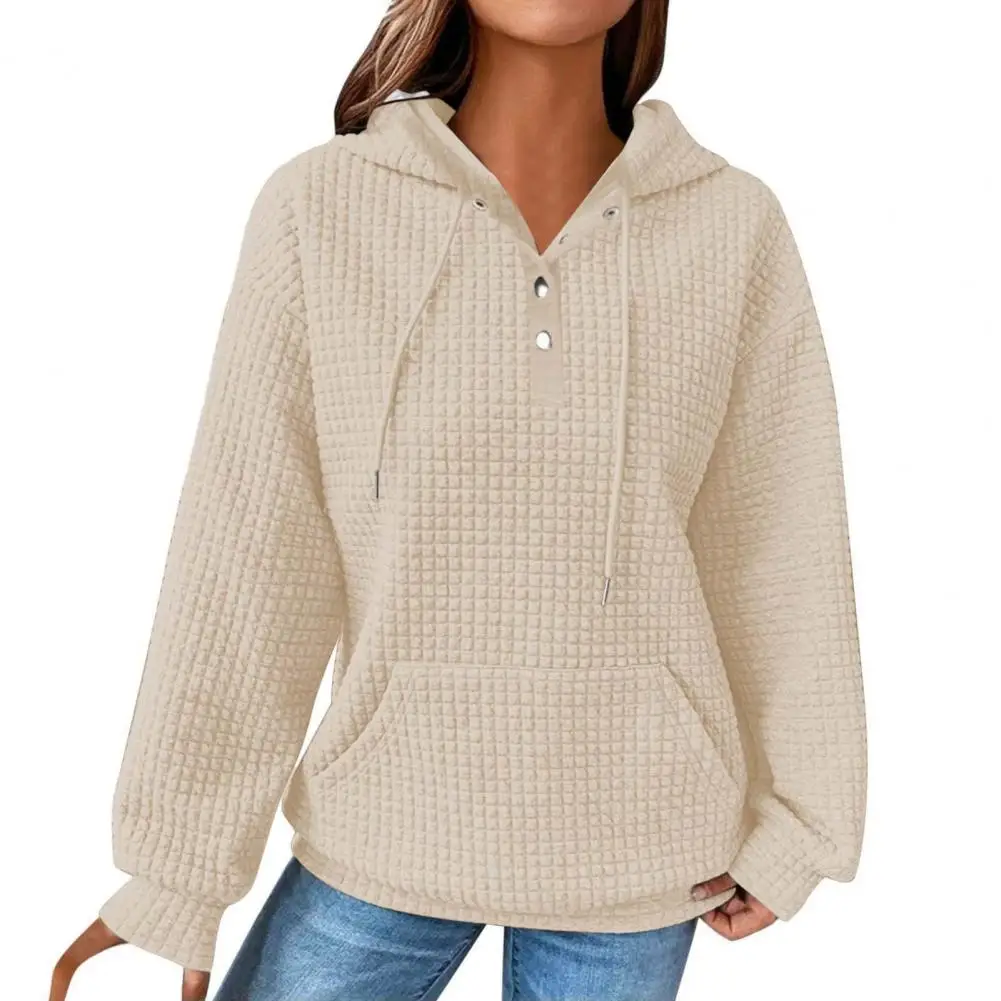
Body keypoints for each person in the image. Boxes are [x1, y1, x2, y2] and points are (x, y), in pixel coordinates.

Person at [51, 1, 869, 999]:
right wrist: (176, 870)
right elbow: (250, 552)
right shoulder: (322, 209)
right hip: (384, 828)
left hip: (642, 843)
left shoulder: (730, 224)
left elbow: (779, 539)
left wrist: (798, 825)